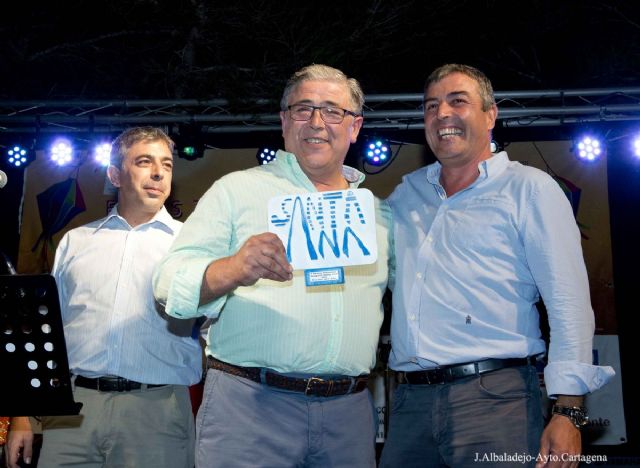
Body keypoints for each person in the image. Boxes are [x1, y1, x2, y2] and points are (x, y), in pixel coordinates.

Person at [153, 64, 392, 468]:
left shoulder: (378, 215)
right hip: (249, 412)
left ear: (355, 127)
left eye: (333, 111)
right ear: (284, 121)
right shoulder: (237, 191)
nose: (317, 122)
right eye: (303, 109)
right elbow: (167, 283)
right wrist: (232, 269)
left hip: (348, 417)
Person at [379, 64, 614, 468]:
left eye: (458, 101)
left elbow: (568, 303)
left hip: (494, 400)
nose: (442, 114)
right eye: (431, 106)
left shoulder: (529, 188)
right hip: (409, 403)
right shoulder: (407, 194)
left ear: (490, 115)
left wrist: (568, 410)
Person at [6, 127, 202, 468]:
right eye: (144, 161)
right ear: (114, 174)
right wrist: (23, 416)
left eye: (167, 165)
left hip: (155, 411)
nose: (158, 172)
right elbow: (45, 335)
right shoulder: (76, 241)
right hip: (73, 414)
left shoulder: (193, 245)